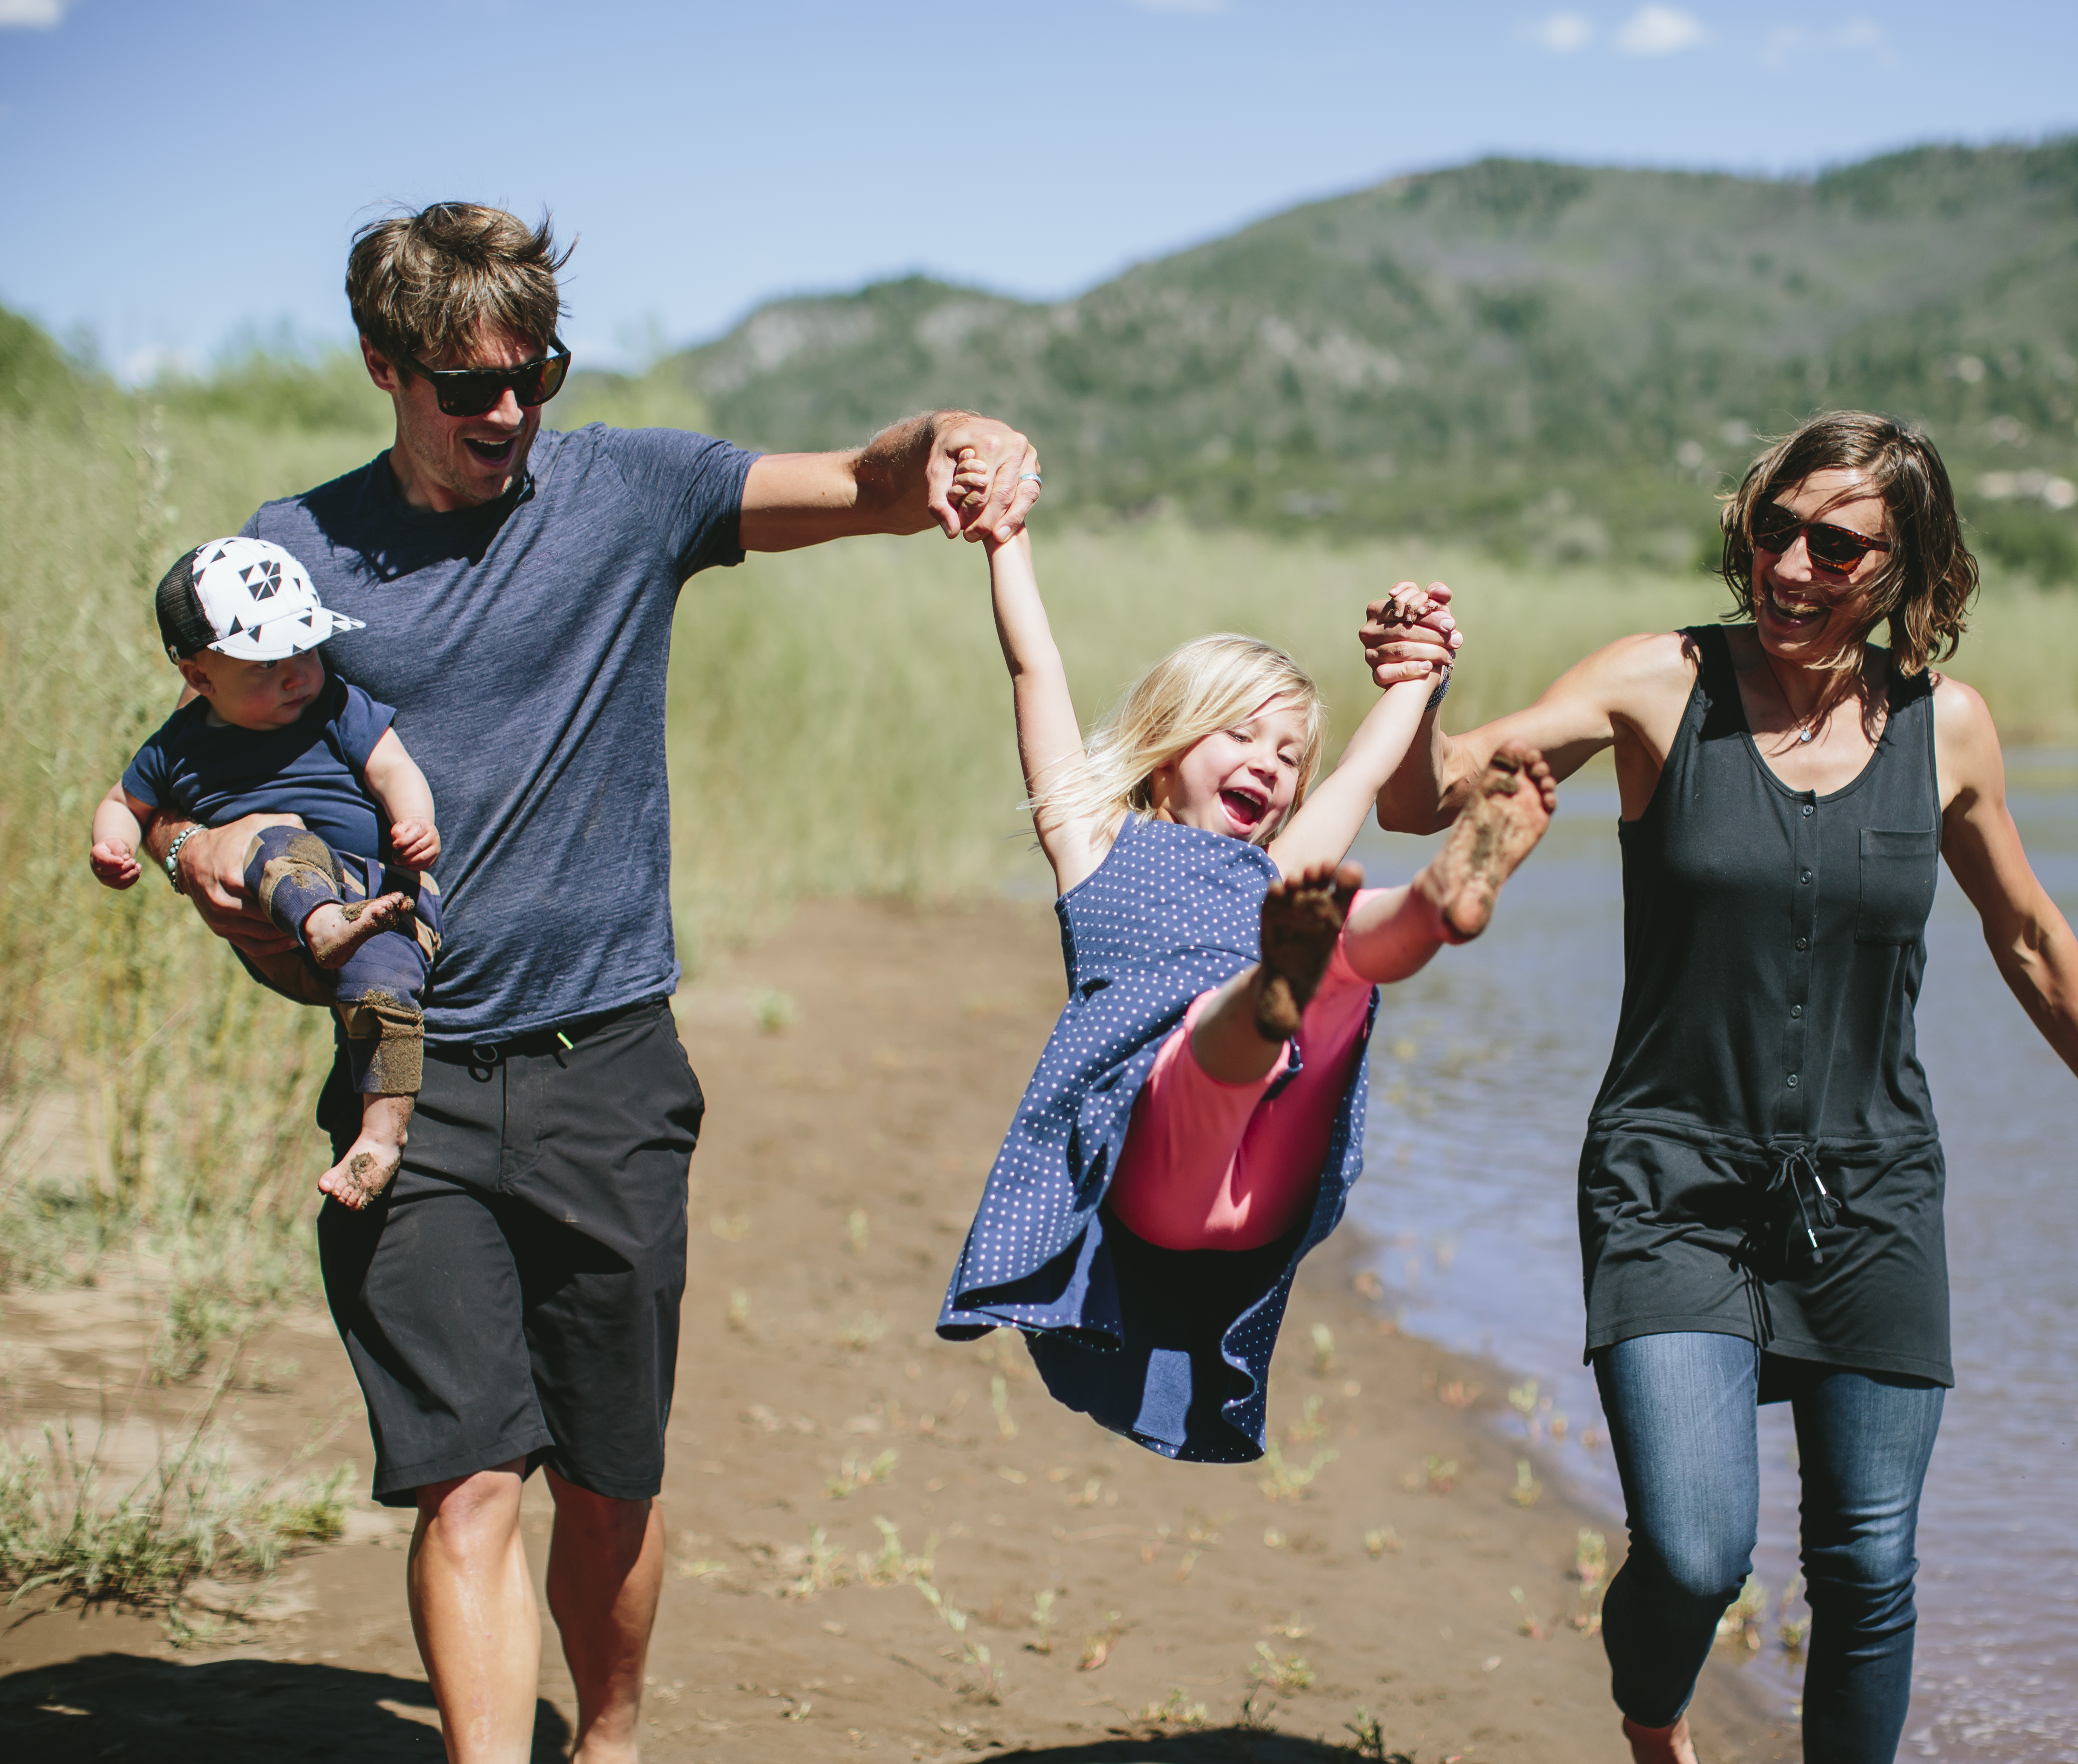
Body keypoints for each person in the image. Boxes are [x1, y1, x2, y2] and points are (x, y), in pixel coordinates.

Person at [141, 202, 1042, 1764]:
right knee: (469, 1480)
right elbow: (184, 774)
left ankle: (610, 1740)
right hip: (401, 1076)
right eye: (464, 383)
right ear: (382, 366)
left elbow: (859, 482)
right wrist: (192, 859)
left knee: (610, 1476)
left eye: (532, 374)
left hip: (606, 1069)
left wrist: (953, 439)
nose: (506, 413)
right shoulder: (287, 553)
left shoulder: (629, 491)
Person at [1360, 410, 2078, 1764]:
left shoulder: (1946, 728)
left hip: (1874, 1188)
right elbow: (1430, 797)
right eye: (1774, 529)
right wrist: (1414, 690)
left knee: (1868, 1568)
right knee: (1695, 1553)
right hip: (1669, 1178)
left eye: (1835, 542)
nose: (1792, 566)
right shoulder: (1660, 680)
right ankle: (1654, 1716)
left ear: (1906, 569)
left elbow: (2029, 932)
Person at [937, 529, 1554, 1461]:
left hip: (1270, 1182)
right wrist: (1004, 541)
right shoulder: (1091, 841)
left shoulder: (1281, 868)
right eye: (1239, 734)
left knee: (1339, 950)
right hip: (1161, 1171)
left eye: (1286, 754)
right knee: (1219, 1030)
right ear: (1162, 748)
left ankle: (1433, 904)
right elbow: (1035, 664)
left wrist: (1422, 671)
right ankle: (1280, 986)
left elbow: (1362, 770)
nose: (1268, 765)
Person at [92, 536, 442, 1210]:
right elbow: (122, 804)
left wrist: (415, 820)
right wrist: (114, 847)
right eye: (267, 664)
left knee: (386, 994)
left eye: (306, 651)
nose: (298, 675)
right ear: (199, 678)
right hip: (286, 919)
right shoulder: (176, 746)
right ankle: (324, 924)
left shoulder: (335, 705)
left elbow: (393, 767)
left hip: (386, 897)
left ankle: (382, 1134)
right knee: (276, 839)